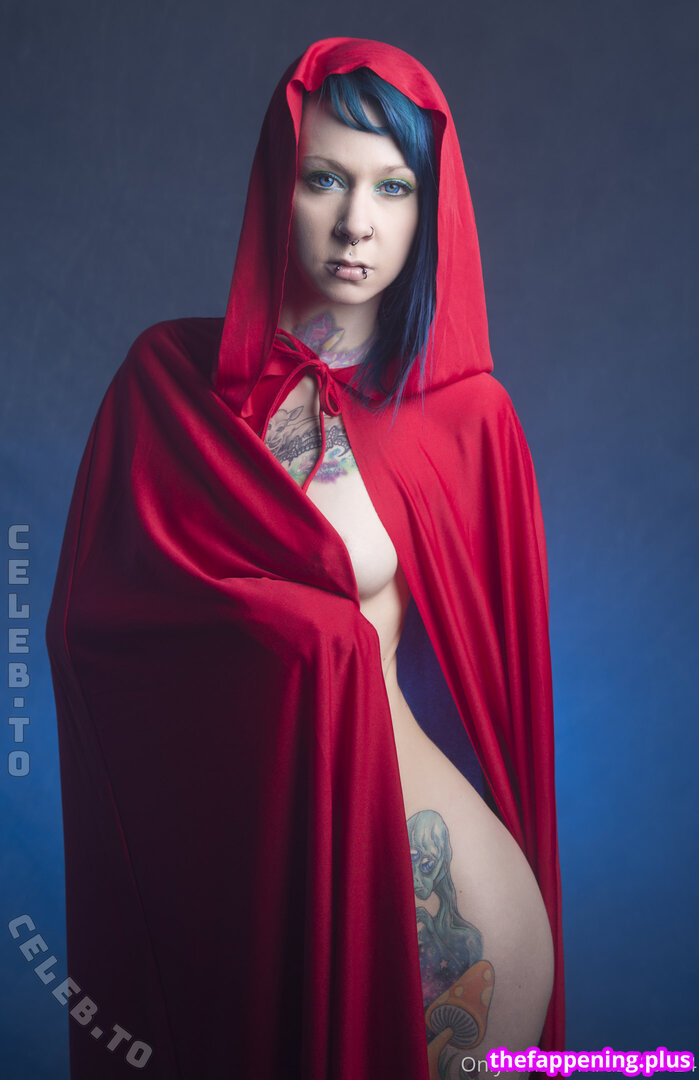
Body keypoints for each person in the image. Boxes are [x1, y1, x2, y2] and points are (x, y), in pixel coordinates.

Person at [47, 37, 563, 1080]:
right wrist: (300, 631)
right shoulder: (166, 386)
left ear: (429, 210)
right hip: (254, 893)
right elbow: (91, 634)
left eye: (393, 187)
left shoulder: (468, 421)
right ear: (276, 189)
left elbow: (501, 691)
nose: (356, 222)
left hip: (440, 914)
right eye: (325, 178)